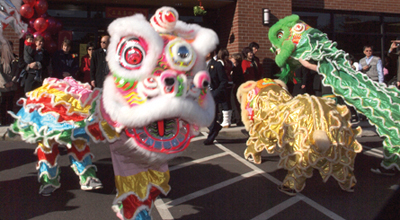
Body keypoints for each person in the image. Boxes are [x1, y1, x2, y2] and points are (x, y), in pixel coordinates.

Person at [204, 51, 229, 145]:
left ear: (209, 53)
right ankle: (215, 127)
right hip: (203, 94)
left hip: (214, 95)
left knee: (211, 116)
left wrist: (215, 93)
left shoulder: (217, 65)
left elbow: (224, 81)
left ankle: (211, 136)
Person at [0, 41, 19, 125]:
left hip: (12, 84)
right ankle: (3, 120)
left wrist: (13, 81)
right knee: (3, 103)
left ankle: (10, 120)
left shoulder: (15, 58)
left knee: (11, 102)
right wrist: (5, 83)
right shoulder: (1, 58)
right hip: (3, 85)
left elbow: (18, 71)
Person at [217, 48, 233, 128]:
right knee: (228, 101)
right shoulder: (230, 62)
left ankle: (226, 121)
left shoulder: (220, 62)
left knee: (224, 102)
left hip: (223, 83)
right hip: (230, 82)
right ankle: (228, 121)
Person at [230, 53, 245, 126]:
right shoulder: (237, 67)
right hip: (237, 86)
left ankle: (238, 119)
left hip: (236, 86)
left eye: (232, 58)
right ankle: (237, 118)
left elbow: (236, 78)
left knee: (235, 103)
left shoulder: (237, 68)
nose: (231, 59)